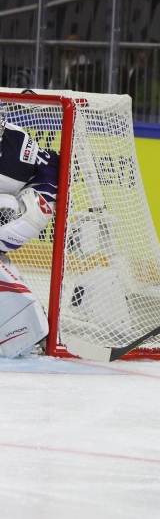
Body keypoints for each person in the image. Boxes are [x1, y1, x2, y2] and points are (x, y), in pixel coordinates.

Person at [0, 100, 59, 358]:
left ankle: (25, 323)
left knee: (9, 207)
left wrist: (39, 205)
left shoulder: (17, 145)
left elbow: (52, 166)